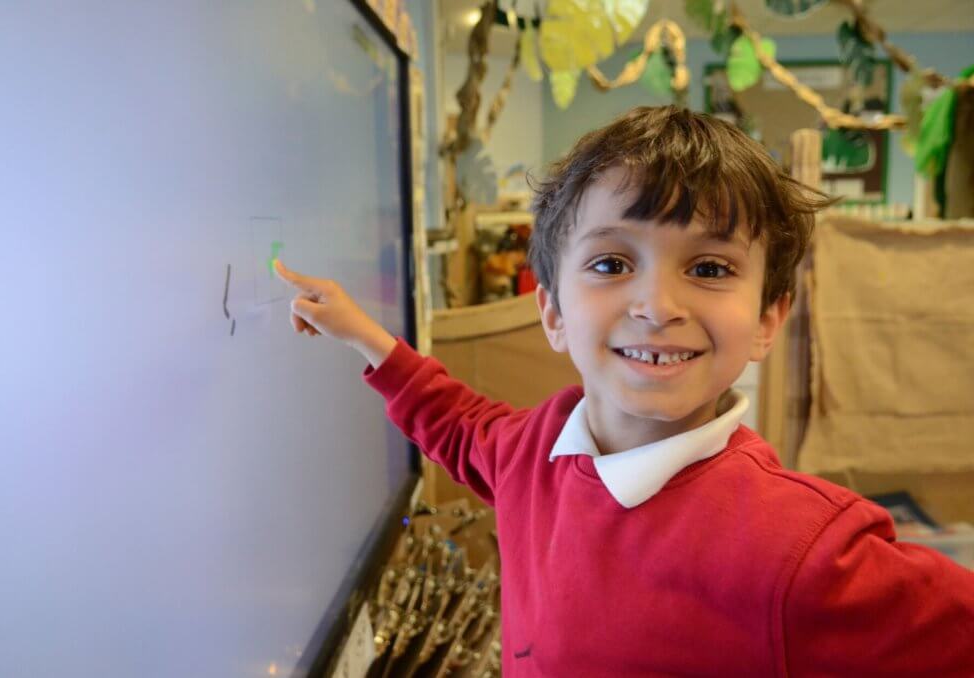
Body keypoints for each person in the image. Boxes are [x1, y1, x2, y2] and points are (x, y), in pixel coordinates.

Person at [276, 106, 974, 676]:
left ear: (767, 319)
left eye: (708, 266)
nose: (657, 304)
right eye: (612, 262)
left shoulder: (804, 549)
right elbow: (454, 422)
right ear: (551, 311)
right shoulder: (535, 448)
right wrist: (361, 332)